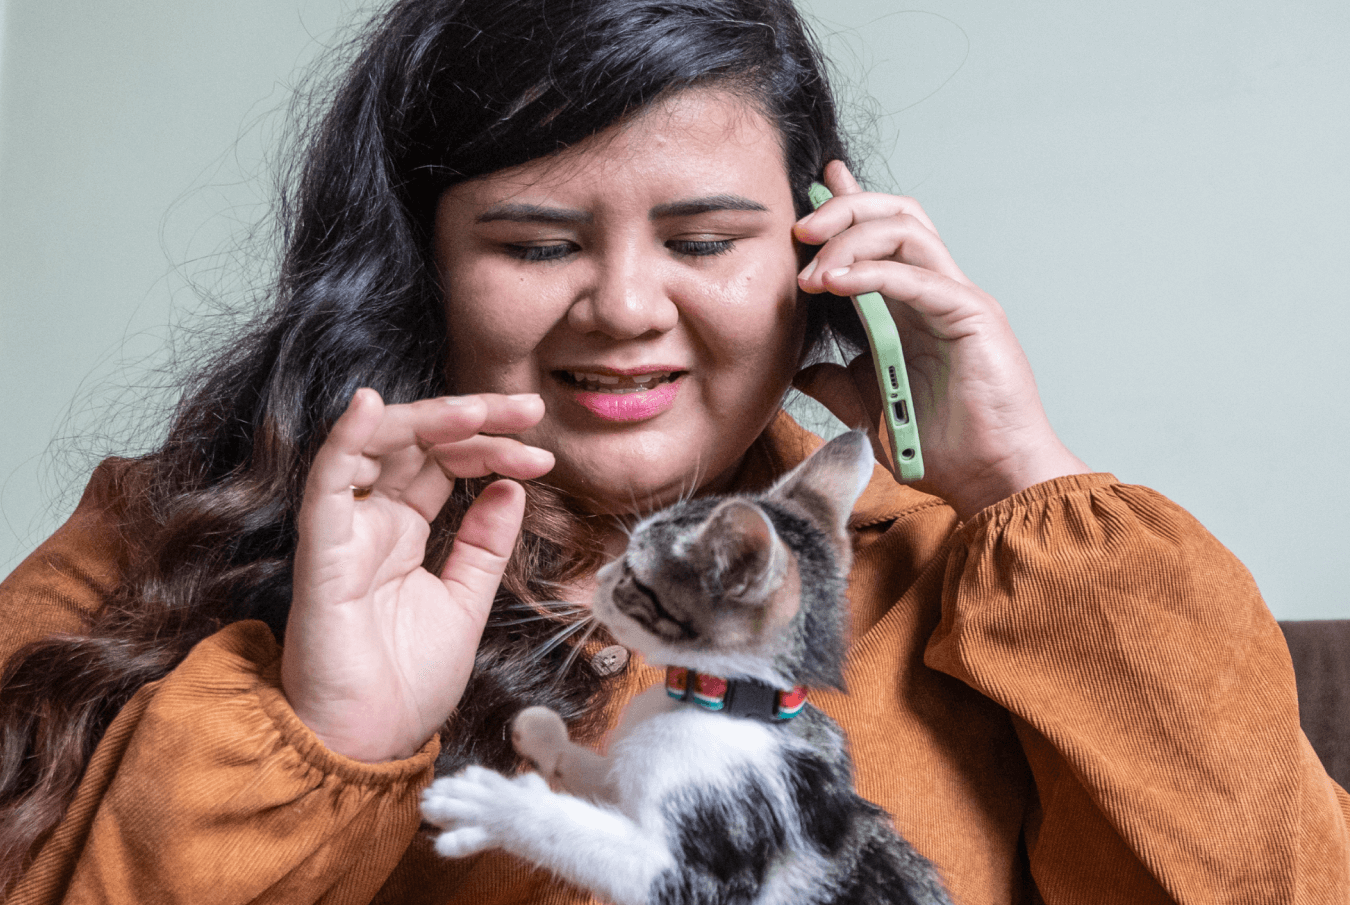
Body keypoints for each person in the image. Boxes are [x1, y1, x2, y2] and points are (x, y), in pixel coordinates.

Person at [0, 0, 1345, 901]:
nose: (629, 308)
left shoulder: (980, 587)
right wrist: (320, 734)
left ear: (824, 254)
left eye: (703, 242)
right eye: (534, 244)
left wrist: (1024, 487)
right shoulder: (165, 540)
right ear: (416, 263)